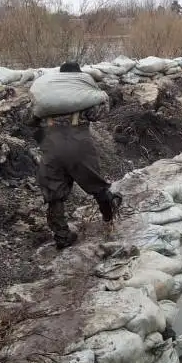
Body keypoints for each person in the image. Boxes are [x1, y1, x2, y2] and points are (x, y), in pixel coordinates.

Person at [26, 61, 122, 249]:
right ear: (78, 76)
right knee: (97, 186)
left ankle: (62, 236)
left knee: (54, 193)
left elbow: (29, 118)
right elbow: (99, 112)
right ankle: (109, 221)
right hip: (79, 144)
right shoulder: (82, 94)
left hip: (51, 145)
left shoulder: (47, 96)